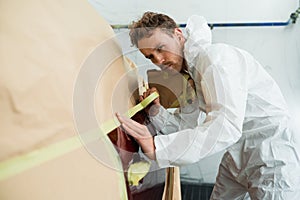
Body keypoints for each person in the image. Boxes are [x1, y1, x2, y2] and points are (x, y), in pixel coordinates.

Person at [116, 11, 300, 199]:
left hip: (272, 154)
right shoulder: (191, 72)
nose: (159, 61)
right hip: (238, 154)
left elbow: (226, 126)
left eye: (161, 48)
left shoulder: (215, 60)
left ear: (178, 35)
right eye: (151, 57)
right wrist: (155, 111)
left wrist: (158, 148)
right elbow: (184, 125)